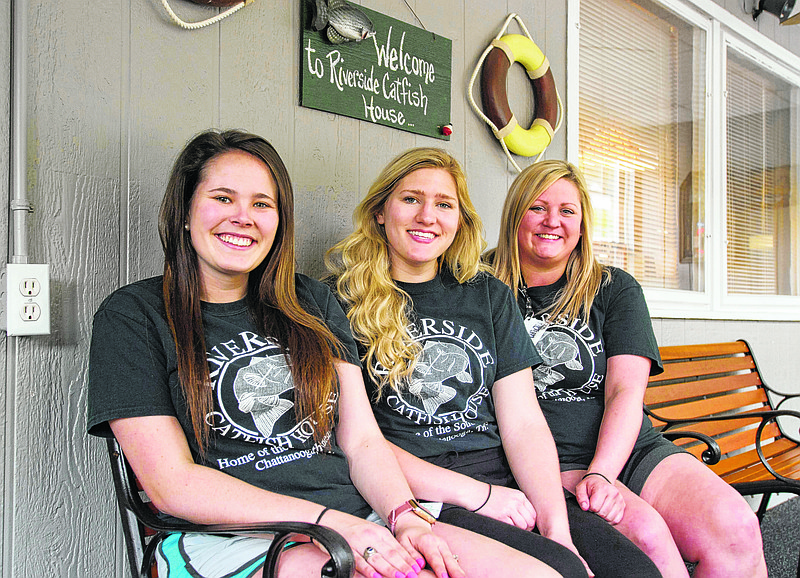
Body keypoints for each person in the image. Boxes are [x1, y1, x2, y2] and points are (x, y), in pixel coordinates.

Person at [86, 130, 566, 578]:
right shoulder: (134, 316)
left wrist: (405, 515)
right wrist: (327, 522)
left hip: (359, 512)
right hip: (238, 535)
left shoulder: (311, 301)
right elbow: (173, 483)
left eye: (262, 203)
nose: (243, 217)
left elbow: (360, 441)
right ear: (185, 210)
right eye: (222, 198)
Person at [326, 147, 661, 578]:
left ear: (459, 220)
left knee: (634, 572)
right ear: (379, 211)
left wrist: (557, 527)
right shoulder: (338, 300)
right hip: (419, 490)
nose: (428, 216)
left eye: (444, 204)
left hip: (505, 480)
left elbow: (523, 422)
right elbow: (359, 440)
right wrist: (479, 495)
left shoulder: (486, 293)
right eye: (411, 199)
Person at [490, 159, 767, 578]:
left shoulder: (613, 288)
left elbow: (624, 392)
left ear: (582, 226)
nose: (552, 221)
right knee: (650, 541)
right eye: (537, 207)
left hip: (630, 449)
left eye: (568, 211)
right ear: (515, 214)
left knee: (737, 527)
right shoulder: (479, 286)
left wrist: (602, 472)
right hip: (545, 462)